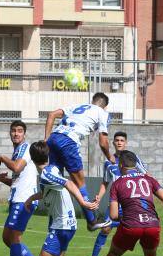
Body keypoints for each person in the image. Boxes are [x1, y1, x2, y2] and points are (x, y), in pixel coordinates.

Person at [23, 141, 99, 256]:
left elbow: (69, 183)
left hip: (62, 225)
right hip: (67, 224)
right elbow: (45, 192)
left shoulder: (46, 174)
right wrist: (30, 199)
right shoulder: (52, 169)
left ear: (32, 159)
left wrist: (83, 203)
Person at [43, 92, 112, 231]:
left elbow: (51, 114)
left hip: (54, 138)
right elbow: (103, 142)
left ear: (92, 101)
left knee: (55, 179)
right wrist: (110, 157)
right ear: (105, 106)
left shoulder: (77, 107)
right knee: (79, 183)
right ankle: (92, 221)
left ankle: (53, 221)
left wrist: (46, 140)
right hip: (68, 142)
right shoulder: (102, 113)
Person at [81, 131, 147, 256]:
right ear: (113, 143)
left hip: (132, 202)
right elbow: (105, 182)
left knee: (140, 230)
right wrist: (99, 197)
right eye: (117, 140)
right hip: (116, 203)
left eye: (122, 140)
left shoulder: (133, 159)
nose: (119, 142)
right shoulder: (109, 162)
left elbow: (145, 175)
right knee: (105, 229)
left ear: (126, 143)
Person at [0, 120, 43, 256]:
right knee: (7, 238)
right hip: (18, 198)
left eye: (19, 131)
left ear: (24, 134)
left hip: (25, 200)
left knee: (14, 237)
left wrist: (2, 157)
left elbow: (16, 168)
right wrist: (5, 180)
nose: (16, 133)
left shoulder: (25, 148)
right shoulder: (17, 150)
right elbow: (19, 178)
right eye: (13, 131)